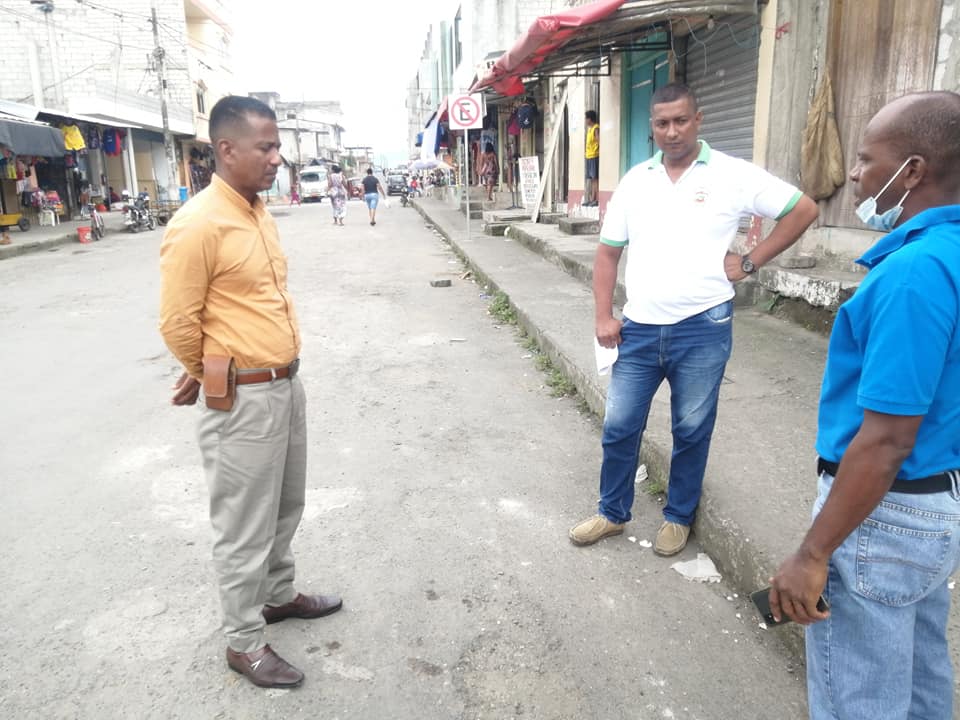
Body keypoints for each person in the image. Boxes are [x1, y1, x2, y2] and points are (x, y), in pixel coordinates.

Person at [769, 91, 960, 719]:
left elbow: (886, 440)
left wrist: (812, 553)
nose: (852, 175)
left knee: (859, 701)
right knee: (920, 682)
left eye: (865, 159)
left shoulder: (915, 272)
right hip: (933, 502)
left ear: (912, 171)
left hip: (883, 514)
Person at [569, 82, 818, 555]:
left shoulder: (732, 174)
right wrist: (603, 316)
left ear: (698, 120)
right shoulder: (636, 181)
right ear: (652, 127)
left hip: (704, 328)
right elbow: (607, 255)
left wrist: (750, 262)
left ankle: (678, 516)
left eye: (681, 120)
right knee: (620, 427)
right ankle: (612, 512)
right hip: (638, 329)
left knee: (691, 427)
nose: (672, 131)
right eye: (662, 123)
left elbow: (802, 209)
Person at [159, 95, 342, 690]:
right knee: (243, 525)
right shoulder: (198, 223)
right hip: (242, 399)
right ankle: (243, 641)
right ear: (226, 149)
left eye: (277, 147)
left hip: (285, 384)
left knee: (286, 505)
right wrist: (214, 370)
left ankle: (278, 596)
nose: (276, 158)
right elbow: (178, 322)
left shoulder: (258, 212)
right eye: (265, 147)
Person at [584, 110, 600, 207]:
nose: (585, 120)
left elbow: (598, 141)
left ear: (590, 119)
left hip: (594, 155)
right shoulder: (590, 129)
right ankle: (592, 199)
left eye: (586, 118)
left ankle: (596, 199)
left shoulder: (595, 128)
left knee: (595, 178)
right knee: (591, 178)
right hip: (589, 156)